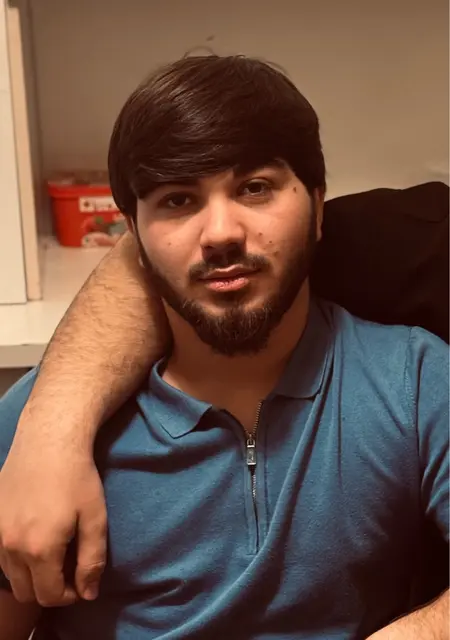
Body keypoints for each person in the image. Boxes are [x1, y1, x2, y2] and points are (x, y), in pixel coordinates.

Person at [0, 55, 448, 639]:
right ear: (133, 236)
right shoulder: (39, 431)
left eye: (255, 188)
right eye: (177, 200)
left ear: (318, 208)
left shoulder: (417, 386)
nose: (221, 234)